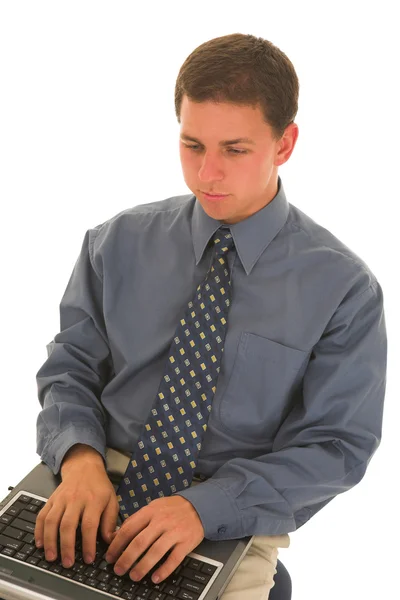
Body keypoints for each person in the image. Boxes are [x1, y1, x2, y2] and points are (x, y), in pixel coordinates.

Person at [33, 32, 387, 599]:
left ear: (285, 143)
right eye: (192, 144)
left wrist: (204, 509)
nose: (208, 174)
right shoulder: (115, 243)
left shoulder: (343, 288)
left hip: (225, 508)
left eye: (235, 149)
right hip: (97, 477)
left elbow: (336, 445)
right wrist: (77, 459)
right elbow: (70, 367)